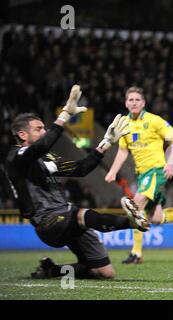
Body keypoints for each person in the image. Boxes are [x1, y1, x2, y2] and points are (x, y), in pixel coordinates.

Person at [5, 85, 149, 279]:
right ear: (23, 135)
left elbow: (80, 169)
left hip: (67, 217)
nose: (44, 131)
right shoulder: (17, 157)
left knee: (105, 273)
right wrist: (64, 114)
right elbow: (42, 145)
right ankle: (131, 222)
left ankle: (51, 270)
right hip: (48, 222)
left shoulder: (47, 159)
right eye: (38, 129)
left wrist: (106, 143)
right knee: (81, 215)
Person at [105, 87, 173, 264]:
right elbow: (123, 151)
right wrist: (113, 171)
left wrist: (170, 162)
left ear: (143, 103)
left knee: (136, 204)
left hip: (155, 171)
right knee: (156, 218)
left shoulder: (154, 120)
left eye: (137, 100)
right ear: (125, 103)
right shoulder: (123, 124)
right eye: (130, 100)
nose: (133, 103)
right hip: (141, 174)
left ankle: (136, 253)